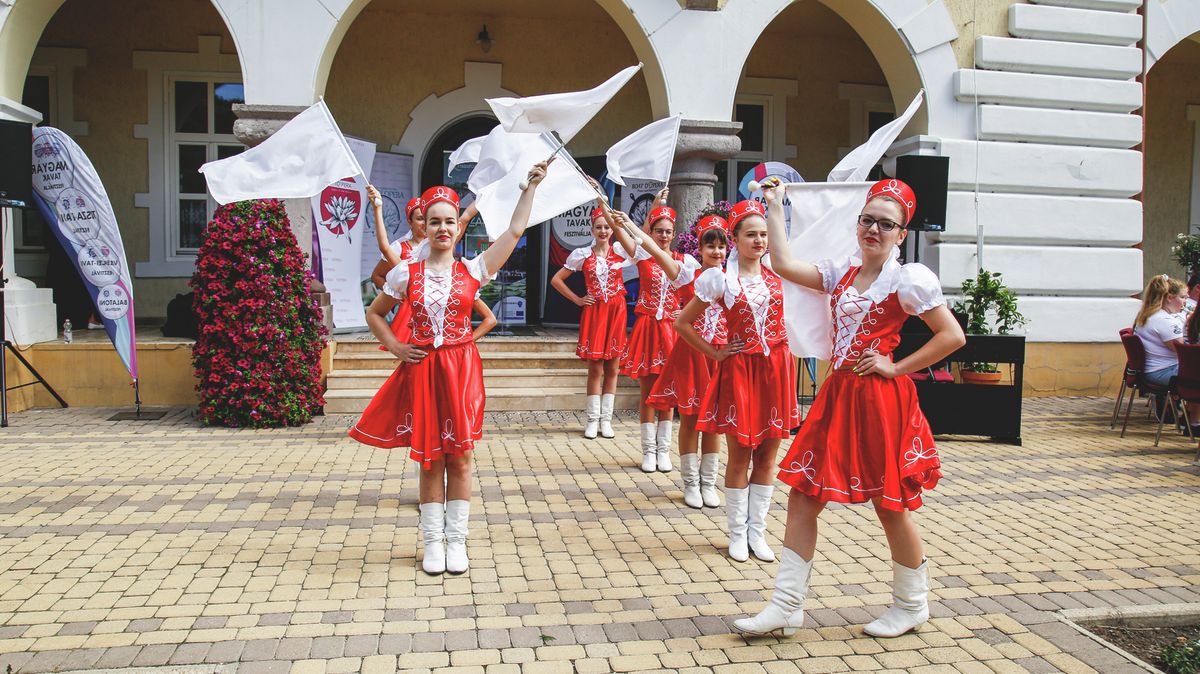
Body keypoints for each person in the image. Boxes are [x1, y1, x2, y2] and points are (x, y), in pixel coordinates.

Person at [733, 178, 966, 639]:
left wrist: (896, 367)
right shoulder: (841, 271)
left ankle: (912, 604)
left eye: (886, 224)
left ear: (901, 233)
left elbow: (952, 336)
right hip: (838, 395)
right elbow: (781, 264)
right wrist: (776, 206)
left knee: (890, 504)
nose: (873, 230)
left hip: (880, 401)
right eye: (867, 220)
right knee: (803, 495)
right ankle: (786, 606)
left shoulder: (908, 279)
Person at [348, 162, 549, 576]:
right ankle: (432, 544)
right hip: (423, 372)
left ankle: (457, 542)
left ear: (459, 228)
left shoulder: (473, 270)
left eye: (449, 222)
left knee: (459, 457)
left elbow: (513, 232)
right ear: (426, 225)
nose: (442, 228)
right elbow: (375, 314)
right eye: (435, 221)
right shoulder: (407, 273)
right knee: (428, 460)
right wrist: (398, 347)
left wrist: (528, 189)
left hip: (460, 371)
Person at [674, 199, 800, 562]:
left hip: (776, 371)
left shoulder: (780, 274)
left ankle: (757, 533)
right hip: (740, 372)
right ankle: (736, 533)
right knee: (739, 454)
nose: (759, 241)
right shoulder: (720, 279)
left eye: (764, 235)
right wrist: (714, 353)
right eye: (751, 235)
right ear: (735, 239)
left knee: (768, 456)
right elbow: (683, 323)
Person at [623, 213, 735, 508]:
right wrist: (631, 225)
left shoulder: (734, 280)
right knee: (690, 418)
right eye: (710, 246)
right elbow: (655, 250)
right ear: (700, 248)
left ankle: (709, 482)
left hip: (721, 357)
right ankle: (690, 484)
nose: (716, 252)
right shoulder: (688, 274)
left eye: (721, 246)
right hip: (692, 355)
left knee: (714, 423)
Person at [610, 188, 684, 473]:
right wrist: (605, 205)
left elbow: (695, 290)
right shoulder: (642, 258)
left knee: (667, 392)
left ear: (674, 233)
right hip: (648, 329)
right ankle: (648, 451)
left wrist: (683, 309)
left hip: (671, 332)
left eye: (668, 231)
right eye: (658, 231)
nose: (663, 236)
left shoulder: (682, 260)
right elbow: (624, 233)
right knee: (648, 392)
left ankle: (664, 450)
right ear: (650, 232)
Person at [550, 207, 634, 439]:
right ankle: (592, 419)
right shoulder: (582, 254)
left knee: (613, 368)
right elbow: (556, 280)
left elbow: (641, 241)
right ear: (592, 229)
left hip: (616, 311)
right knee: (595, 368)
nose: (603, 230)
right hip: (595, 312)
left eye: (607, 227)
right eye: (599, 227)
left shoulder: (620, 250)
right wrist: (578, 299)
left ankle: (606, 421)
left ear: (613, 230)